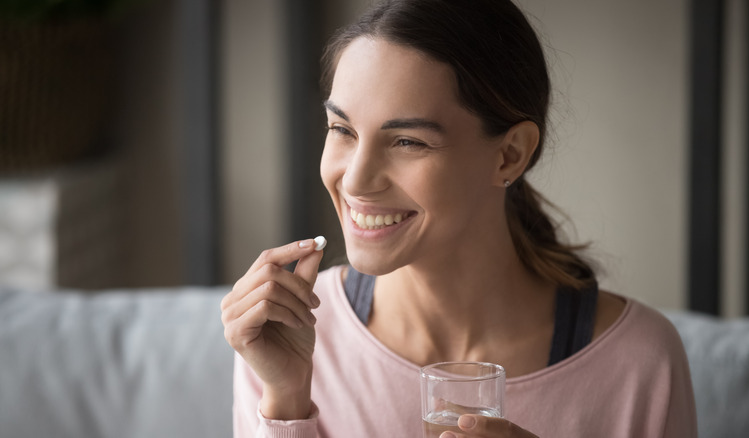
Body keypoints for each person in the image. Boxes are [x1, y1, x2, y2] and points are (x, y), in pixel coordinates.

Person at [220, 0, 698, 436]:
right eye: (342, 129)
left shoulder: (639, 363)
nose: (357, 180)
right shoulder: (283, 332)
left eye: (408, 141)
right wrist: (285, 401)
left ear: (510, 155)